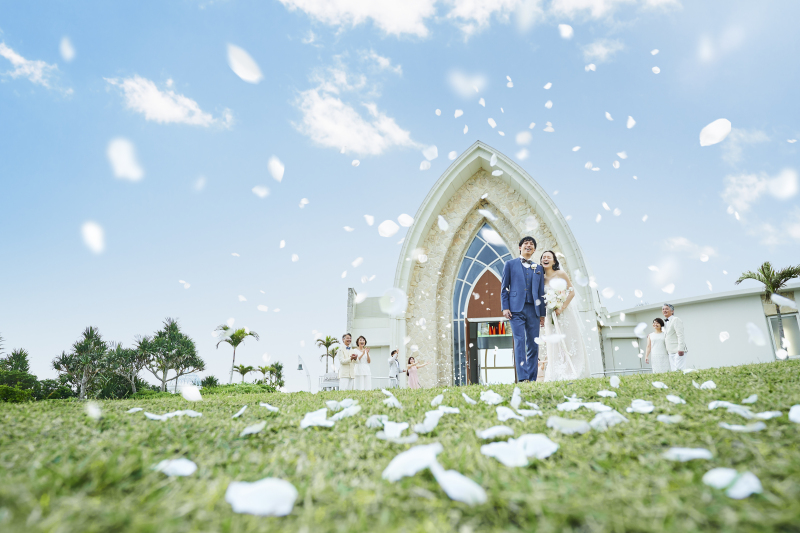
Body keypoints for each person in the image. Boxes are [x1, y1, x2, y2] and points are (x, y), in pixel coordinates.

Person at [501, 236, 547, 383]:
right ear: (520, 247)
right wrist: (505, 307)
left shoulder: (538, 268)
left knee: (533, 344)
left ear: (534, 250)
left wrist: (542, 314)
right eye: (526, 243)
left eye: (532, 244)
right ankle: (523, 378)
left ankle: (532, 378)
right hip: (515, 309)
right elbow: (504, 288)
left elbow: (541, 293)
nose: (529, 245)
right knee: (520, 342)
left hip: (533, 310)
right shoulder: (510, 264)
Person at [540, 250, 590, 381]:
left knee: (569, 340)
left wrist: (561, 307)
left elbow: (572, 292)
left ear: (554, 261)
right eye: (543, 257)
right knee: (554, 343)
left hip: (564, 312)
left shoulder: (560, 274)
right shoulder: (541, 278)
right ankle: (557, 371)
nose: (545, 259)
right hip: (550, 314)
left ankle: (575, 369)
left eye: (548, 257)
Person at [662, 303, 687, 371]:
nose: (664, 310)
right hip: (670, 351)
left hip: (678, 350)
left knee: (679, 370)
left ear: (672, 311)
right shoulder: (665, 323)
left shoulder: (676, 319)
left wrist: (681, 349)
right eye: (663, 309)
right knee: (674, 371)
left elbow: (680, 335)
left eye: (667, 309)